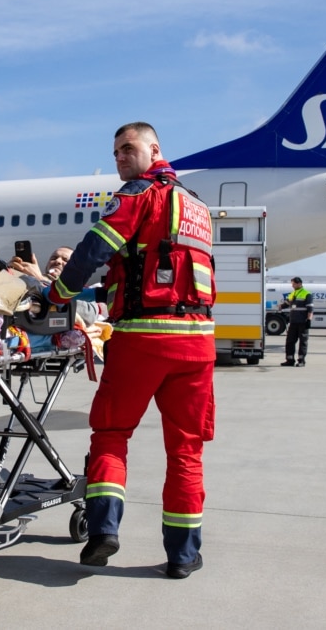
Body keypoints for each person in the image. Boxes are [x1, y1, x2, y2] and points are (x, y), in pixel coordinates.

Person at [48, 122, 215, 579]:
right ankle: (183, 556)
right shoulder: (196, 205)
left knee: (111, 433)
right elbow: (161, 267)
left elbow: (92, 250)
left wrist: (58, 294)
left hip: (143, 338)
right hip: (197, 341)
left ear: (154, 149)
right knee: (186, 452)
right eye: (117, 151)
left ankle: (103, 531)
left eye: (128, 148)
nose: (120, 158)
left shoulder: (139, 194)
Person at [279, 277, 313, 366]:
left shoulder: (307, 294)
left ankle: (301, 361)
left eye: (294, 284)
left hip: (303, 322)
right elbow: (287, 303)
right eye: (292, 284)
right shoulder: (293, 293)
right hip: (293, 322)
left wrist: (309, 320)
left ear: (299, 284)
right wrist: (280, 306)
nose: (292, 286)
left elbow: (310, 309)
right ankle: (290, 360)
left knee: (303, 342)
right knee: (290, 341)